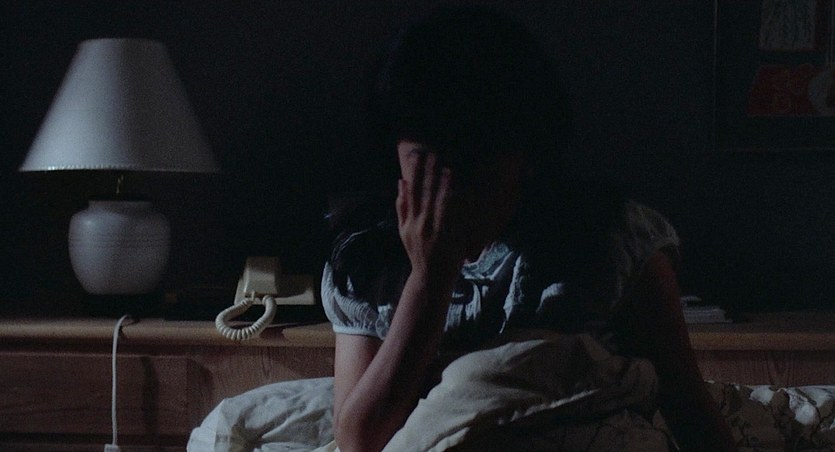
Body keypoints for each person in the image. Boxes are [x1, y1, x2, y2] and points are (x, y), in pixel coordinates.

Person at [322, 6, 735, 452]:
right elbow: (360, 441)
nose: (453, 190)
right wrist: (430, 278)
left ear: (527, 156)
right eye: (428, 163)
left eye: (475, 164)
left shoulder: (608, 243)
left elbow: (692, 418)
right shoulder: (367, 264)